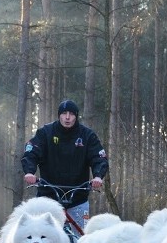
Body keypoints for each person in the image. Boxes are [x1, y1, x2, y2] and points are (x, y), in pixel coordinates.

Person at [21, 99, 109, 233]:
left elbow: (99, 157)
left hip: (78, 197)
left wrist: (98, 176)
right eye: (64, 113)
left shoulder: (87, 135)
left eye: (71, 114)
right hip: (48, 196)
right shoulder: (45, 132)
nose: (67, 117)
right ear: (59, 115)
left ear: (76, 116)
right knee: (40, 237)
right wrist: (29, 172)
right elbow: (31, 152)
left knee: (79, 239)